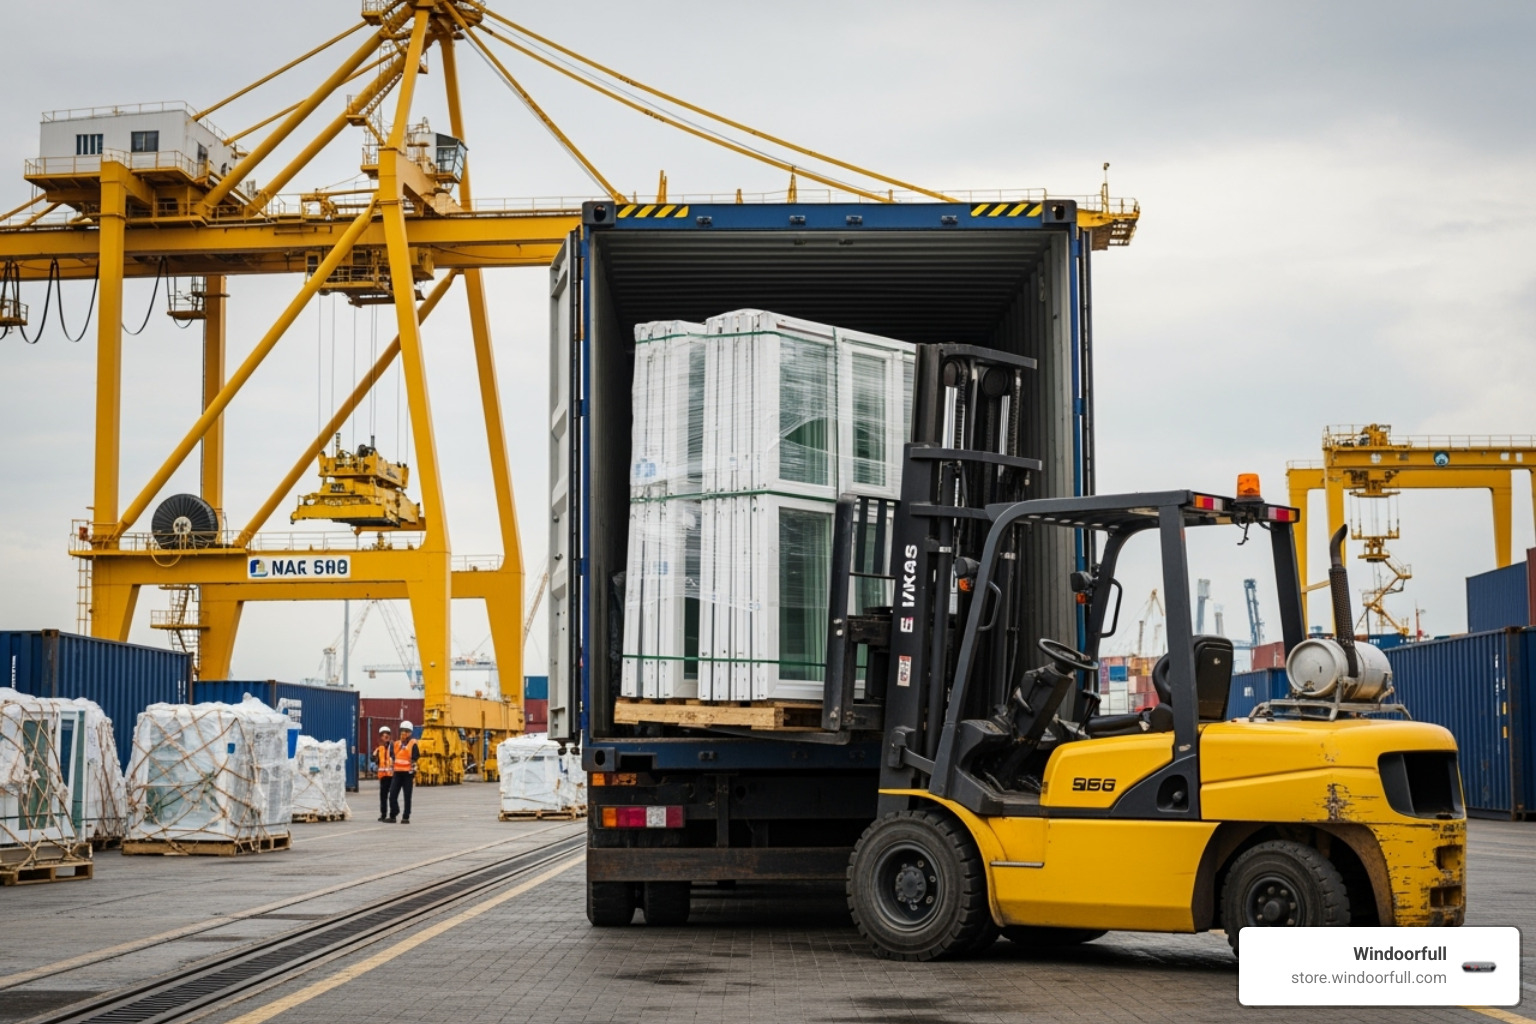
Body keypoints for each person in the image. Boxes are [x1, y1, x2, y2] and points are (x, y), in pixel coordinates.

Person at [388, 720, 419, 823]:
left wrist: (413, 770)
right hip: (397, 773)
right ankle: (393, 814)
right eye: (402, 731)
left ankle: (406, 817)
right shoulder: (396, 744)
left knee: (407, 796)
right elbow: (392, 756)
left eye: (406, 731)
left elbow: (415, 757)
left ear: (410, 733)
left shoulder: (413, 744)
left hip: (407, 774)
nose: (404, 733)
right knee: (392, 795)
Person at [373, 726, 394, 822]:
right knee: (383, 797)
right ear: (381, 737)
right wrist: (374, 757)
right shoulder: (379, 749)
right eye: (383, 735)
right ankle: (383, 814)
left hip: (392, 776)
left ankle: (392, 815)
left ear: (389, 736)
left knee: (392, 797)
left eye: (387, 735)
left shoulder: (393, 747)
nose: (385, 737)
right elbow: (374, 759)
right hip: (383, 776)